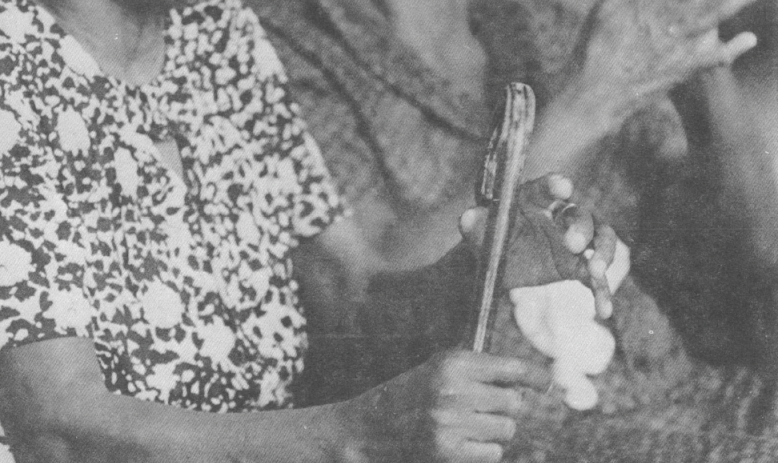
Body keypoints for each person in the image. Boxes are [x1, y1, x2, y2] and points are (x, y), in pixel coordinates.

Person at [0, 1, 758, 463]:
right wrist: (357, 436)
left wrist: (489, 255)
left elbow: (350, 292)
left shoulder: (217, 33)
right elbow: (61, 428)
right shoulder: (14, 64)